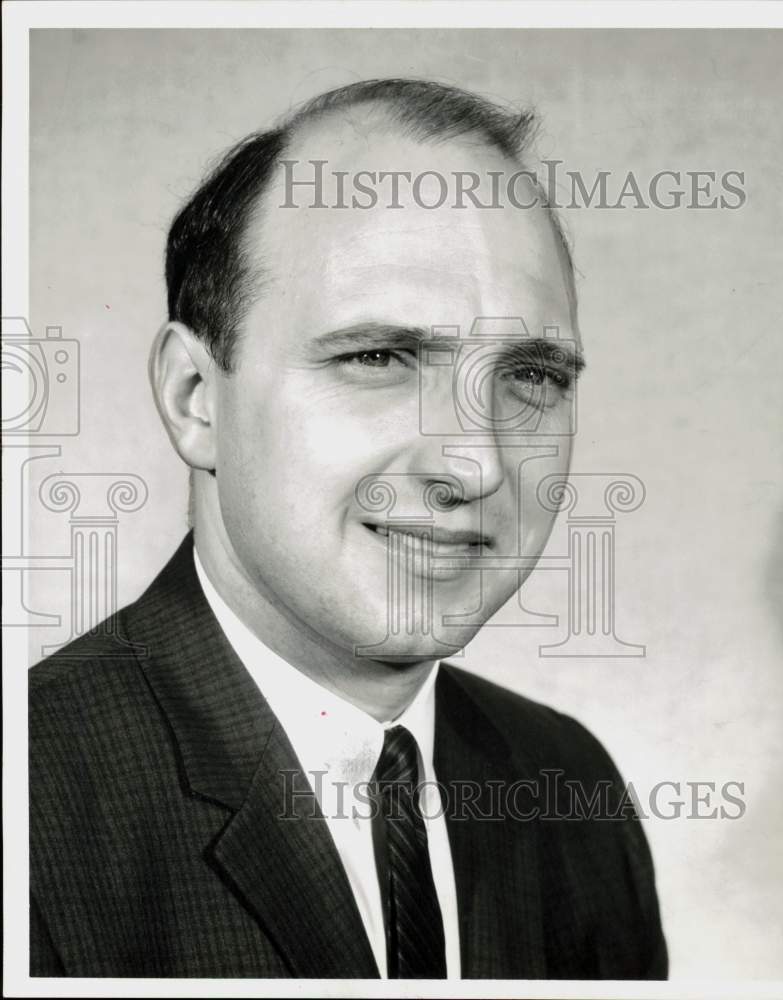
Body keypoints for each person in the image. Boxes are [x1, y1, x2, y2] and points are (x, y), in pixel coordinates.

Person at [29, 78, 667, 979]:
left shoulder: (574, 791)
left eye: (529, 376)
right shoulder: (32, 802)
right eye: (380, 358)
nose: (475, 465)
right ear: (194, 399)